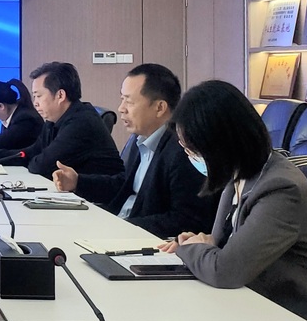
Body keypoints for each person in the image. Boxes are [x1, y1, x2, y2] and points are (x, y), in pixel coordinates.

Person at [157, 80, 307, 321]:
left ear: (220, 143)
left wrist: (190, 249)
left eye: (192, 148)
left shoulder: (281, 189)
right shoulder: (238, 176)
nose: (189, 156)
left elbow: (225, 270)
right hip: (252, 309)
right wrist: (200, 245)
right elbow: (218, 244)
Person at [51, 64, 216, 238]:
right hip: (120, 228)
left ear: (159, 108)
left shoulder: (183, 150)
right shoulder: (140, 138)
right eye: (122, 99)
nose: (121, 108)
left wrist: (121, 226)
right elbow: (123, 185)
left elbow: (187, 220)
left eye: (129, 101)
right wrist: (78, 182)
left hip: (140, 239)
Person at [0, 62, 123, 179]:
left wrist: (32, 159)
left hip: (99, 198)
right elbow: (32, 152)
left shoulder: (82, 123)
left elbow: (41, 166)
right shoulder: (53, 120)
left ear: (60, 95)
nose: (35, 103)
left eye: (39, 96)